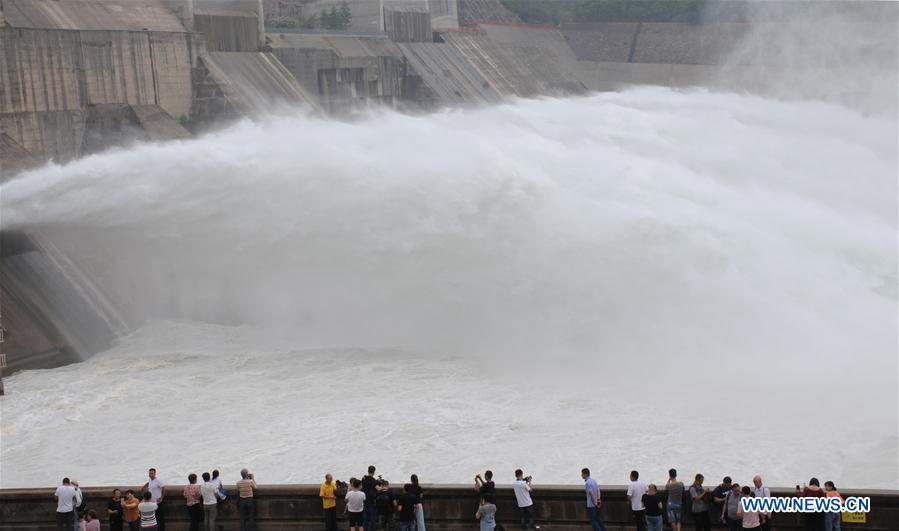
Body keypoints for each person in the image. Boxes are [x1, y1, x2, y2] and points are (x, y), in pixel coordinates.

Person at [361, 466, 379, 531]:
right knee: (372, 518)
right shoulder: (373, 480)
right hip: (372, 500)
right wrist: (382, 487)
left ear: (368, 470)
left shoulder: (363, 478)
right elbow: (378, 489)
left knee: (365, 518)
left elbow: (361, 487)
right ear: (374, 472)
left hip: (365, 500)